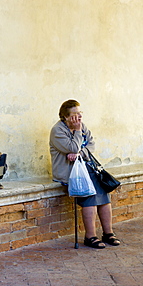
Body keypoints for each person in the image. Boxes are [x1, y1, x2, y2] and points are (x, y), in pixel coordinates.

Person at [49, 99, 120, 249]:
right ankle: (90, 236)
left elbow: (91, 144)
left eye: (80, 113)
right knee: (91, 197)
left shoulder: (82, 126)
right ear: (65, 117)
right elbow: (73, 147)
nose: (79, 118)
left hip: (88, 168)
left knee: (105, 197)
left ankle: (108, 233)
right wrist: (76, 132)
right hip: (70, 172)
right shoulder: (58, 130)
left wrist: (80, 153)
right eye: (74, 115)